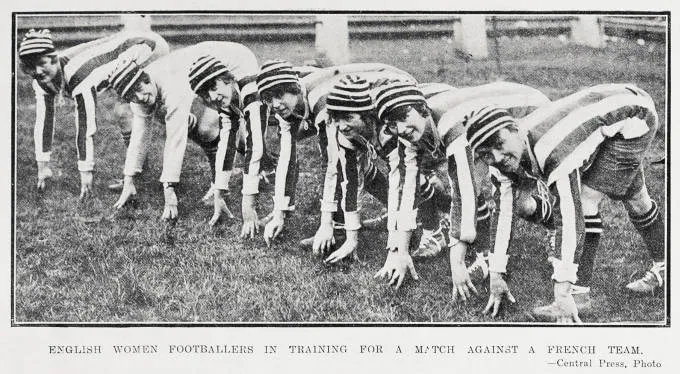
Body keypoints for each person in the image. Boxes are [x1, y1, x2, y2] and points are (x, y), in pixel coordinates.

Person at [465, 83, 664, 323]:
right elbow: (503, 213)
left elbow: (570, 218)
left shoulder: (551, 149)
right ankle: (666, 265)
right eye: (486, 154)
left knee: (585, 200)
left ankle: (578, 295)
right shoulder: (502, 161)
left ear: (516, 129)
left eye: (499, 144)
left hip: (634, 118)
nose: (496, 158)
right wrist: (497, 275)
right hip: (614, 110)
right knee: (637, 200)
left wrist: (562, 290)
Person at [365, 80, 550, 294]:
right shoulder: (408, 134)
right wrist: (399, 252)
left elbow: (464, 192)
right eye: (391, 124)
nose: (400, 129)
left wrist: (457, 263)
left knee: (524, 190)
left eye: (404, 118)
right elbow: (407, 189)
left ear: (423, 109)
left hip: (527, 108)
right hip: (487, 115)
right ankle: (486, 255)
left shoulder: (450, 125)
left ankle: (553, 224)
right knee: (513, 201)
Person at [254, 60, 423, 248]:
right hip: (370, 84)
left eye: (279, 95)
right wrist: (279, 214)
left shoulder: (322, 103)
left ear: (294, 88)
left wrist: (326, 224)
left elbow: (331, 165)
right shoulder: (287, 107)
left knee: (404, 163)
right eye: (269, 99)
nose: (275, 104)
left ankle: (425, 220)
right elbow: (286, 157)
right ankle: (390, 216)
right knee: (351, 158)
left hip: (393, 85)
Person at [108, 42, 267, 229]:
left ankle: (259, 169)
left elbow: (175, 139)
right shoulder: (139, 93)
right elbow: (139, 136)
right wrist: (129, 180)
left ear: (146, 79)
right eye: (132, 96)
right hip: (204, 72)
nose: (140, 98)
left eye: (140, 90)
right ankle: (235, 177)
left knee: (237, 122)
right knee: (208, 129)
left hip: (236, 61)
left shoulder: (170, 85)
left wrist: (169, 190)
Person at [17, 28, 169, 198]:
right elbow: (43, 122)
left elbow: (85, 127)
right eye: (31, 66)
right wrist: (42, 167)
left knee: (130, 110)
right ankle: (138, 174)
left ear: (53, 59)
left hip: (146, 46)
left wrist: (86, 173)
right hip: (128, 43)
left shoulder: (78, 74)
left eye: (42, 63)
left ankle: (139, 174)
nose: (37, 71)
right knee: (125, 112)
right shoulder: (41, 79)